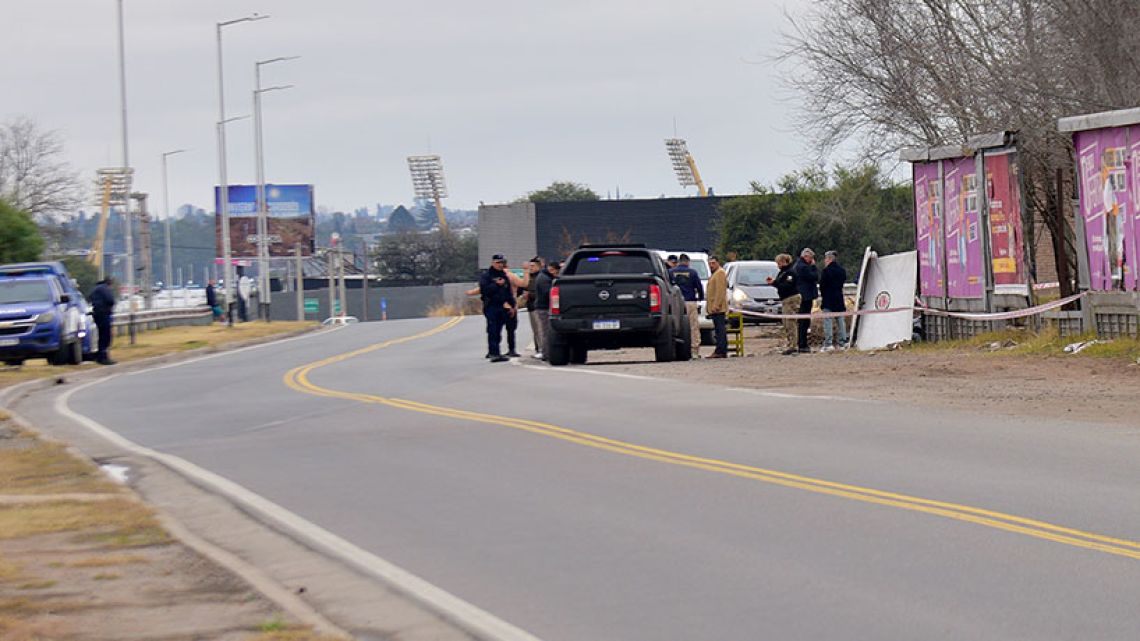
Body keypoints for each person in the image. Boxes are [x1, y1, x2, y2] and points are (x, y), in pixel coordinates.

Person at [479, 254, 516, 362]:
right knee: (492, 330)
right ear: (493, 263)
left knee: (498, 330)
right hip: (491, 306)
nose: (500, 265)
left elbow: (508, 292)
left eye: (502, 262)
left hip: (502, 306)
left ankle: (497, 352)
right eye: (498, 263)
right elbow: (484, 290)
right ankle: (493, 353)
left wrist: (512, 305)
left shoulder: (504, 275)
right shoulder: (486, 276)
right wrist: (496, 285)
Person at [669, 253, 704, 357]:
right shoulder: (693, 272)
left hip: (675, 303)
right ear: (688, 262)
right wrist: (700, 298)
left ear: (679, 261)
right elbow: (699, 287)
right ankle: (694, 351)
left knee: (675, 327)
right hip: (690, 301)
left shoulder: (671, 272)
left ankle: (676, 350)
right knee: (693, 327)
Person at [768, 254, 799, 355]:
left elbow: (787, 286)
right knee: (785, 322)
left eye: (779, 262)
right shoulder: (782, 272)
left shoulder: (790, 272)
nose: (778, 265)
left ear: (784, 261)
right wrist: (773, 282)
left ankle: (793, 345)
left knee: (790, 322)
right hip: (785, 299)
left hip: (791, 299)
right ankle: (790, 343)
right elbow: (779, 283)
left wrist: (776, 283)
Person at [819, 250, 848, 351]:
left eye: (826, 259)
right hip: (839, 298)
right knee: (840, 320)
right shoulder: (842, 271)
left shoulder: (826, 271)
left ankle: (828, 343)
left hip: (828, 298)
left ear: (829, 259)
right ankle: (843, 342)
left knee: (828, 321)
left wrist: (823, 295)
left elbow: (822, 286)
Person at [793, 248, 820, 353]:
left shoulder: (798, 265)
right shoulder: (803, 267)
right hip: (805, 296)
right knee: (804, 321)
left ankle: (802, 343)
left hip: (804, 295)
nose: (812, 260)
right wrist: (813, 267)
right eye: (811, 258)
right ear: (806, 257)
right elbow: (814, 277)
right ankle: (802, 344)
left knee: (804, 321)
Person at [533, 260, 560, 360]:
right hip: (543, 308)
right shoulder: (544, 279)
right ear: (553, 270)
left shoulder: (543, 276)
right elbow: (548, 294)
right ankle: (546, 353)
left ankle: (546, 352)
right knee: (546, 331)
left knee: (545, 331)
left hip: (542, 307)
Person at [520, 257, 546, 358]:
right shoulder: (529, 277)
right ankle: (538, 349)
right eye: (530, 266)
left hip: (538, 306)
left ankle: (543, 350)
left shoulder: (541, 278)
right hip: (530, 306)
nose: (531, 268)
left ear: (539, 266)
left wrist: (529, 295)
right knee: (535, 330)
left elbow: (541, 293)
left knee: (540, 329)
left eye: (533, 266)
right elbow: (523, 287)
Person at [89, 277, 117, 365]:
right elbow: (110, 300)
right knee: (105, 336)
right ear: (109, 283)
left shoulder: (96, 288)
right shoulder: (104, 288)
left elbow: (89, 298)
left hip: (97, 314)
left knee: (101, 336)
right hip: (104, 314)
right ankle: (104, 357)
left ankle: (99, 356)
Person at [705, 256, 728, 358]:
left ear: (718, 263)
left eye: (713, 263)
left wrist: (716, 305)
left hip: (718, 308)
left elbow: (720, 291)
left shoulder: (720, 273)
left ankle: (721, 350)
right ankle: (720, 349)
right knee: (718, 330)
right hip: (713, 307)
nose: (711, 265)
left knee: (720, 330)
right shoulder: (714, 274)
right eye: (709, 263)